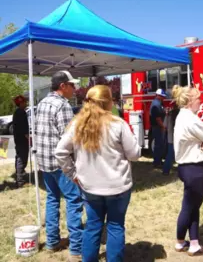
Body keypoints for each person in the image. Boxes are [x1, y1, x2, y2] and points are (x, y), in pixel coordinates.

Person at [55, 85, 141, 262]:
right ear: (108, 102)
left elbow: (60, 152)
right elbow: (134, 154)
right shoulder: (119, 124)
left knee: (93, 227)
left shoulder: (77, 125)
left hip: (90, 187)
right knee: (116, 227)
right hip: (118, 187)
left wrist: (73, 175)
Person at [35, 70, 83, 262]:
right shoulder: (62, 106)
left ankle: (52, 242)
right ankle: (76, 250)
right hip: (60, 163)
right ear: (63, 86)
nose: (75, 88)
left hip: (45, 162)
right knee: (74, 200)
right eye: (72, 85)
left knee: (52, 199)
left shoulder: (42, 103)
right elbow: (68, 140)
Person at [172, 85, 203, 256]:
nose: (201, 101)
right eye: (198, 98)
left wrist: (200, 143)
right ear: (190, 101)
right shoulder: (191, 119)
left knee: (191, 206)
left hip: (186, 167)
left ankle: (192, 243)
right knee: (190, 207)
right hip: (194, 169)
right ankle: (181, 241)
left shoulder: (182, 117)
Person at [12, 95, 29, 188]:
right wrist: (28, 138)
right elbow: (23, 128)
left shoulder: (17, 112)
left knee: (19, 157)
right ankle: (20, 181)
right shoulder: (21, 112)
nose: (26, 103)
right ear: (21, 103)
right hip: (22, 140)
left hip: (18, 139)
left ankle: (19, 177)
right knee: (22, 159)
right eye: (25, 102)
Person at [150, 88, 167, 168]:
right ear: (158, 96)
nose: (164, 98)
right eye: (162, 96)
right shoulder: (156, 105)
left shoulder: (157, 103)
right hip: (157, 127)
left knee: (159, 144)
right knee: (158, 145)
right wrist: (163, 126)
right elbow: (158, 118)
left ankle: (158, 161)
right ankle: (157, 162)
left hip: (157, 127)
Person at [162, 100, 179, 175]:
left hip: (170, 138)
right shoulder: (181, 114)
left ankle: (166, 170)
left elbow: (164, 126)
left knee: (169, 154)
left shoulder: (168, 115)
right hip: (179, 138)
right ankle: (180, 171)